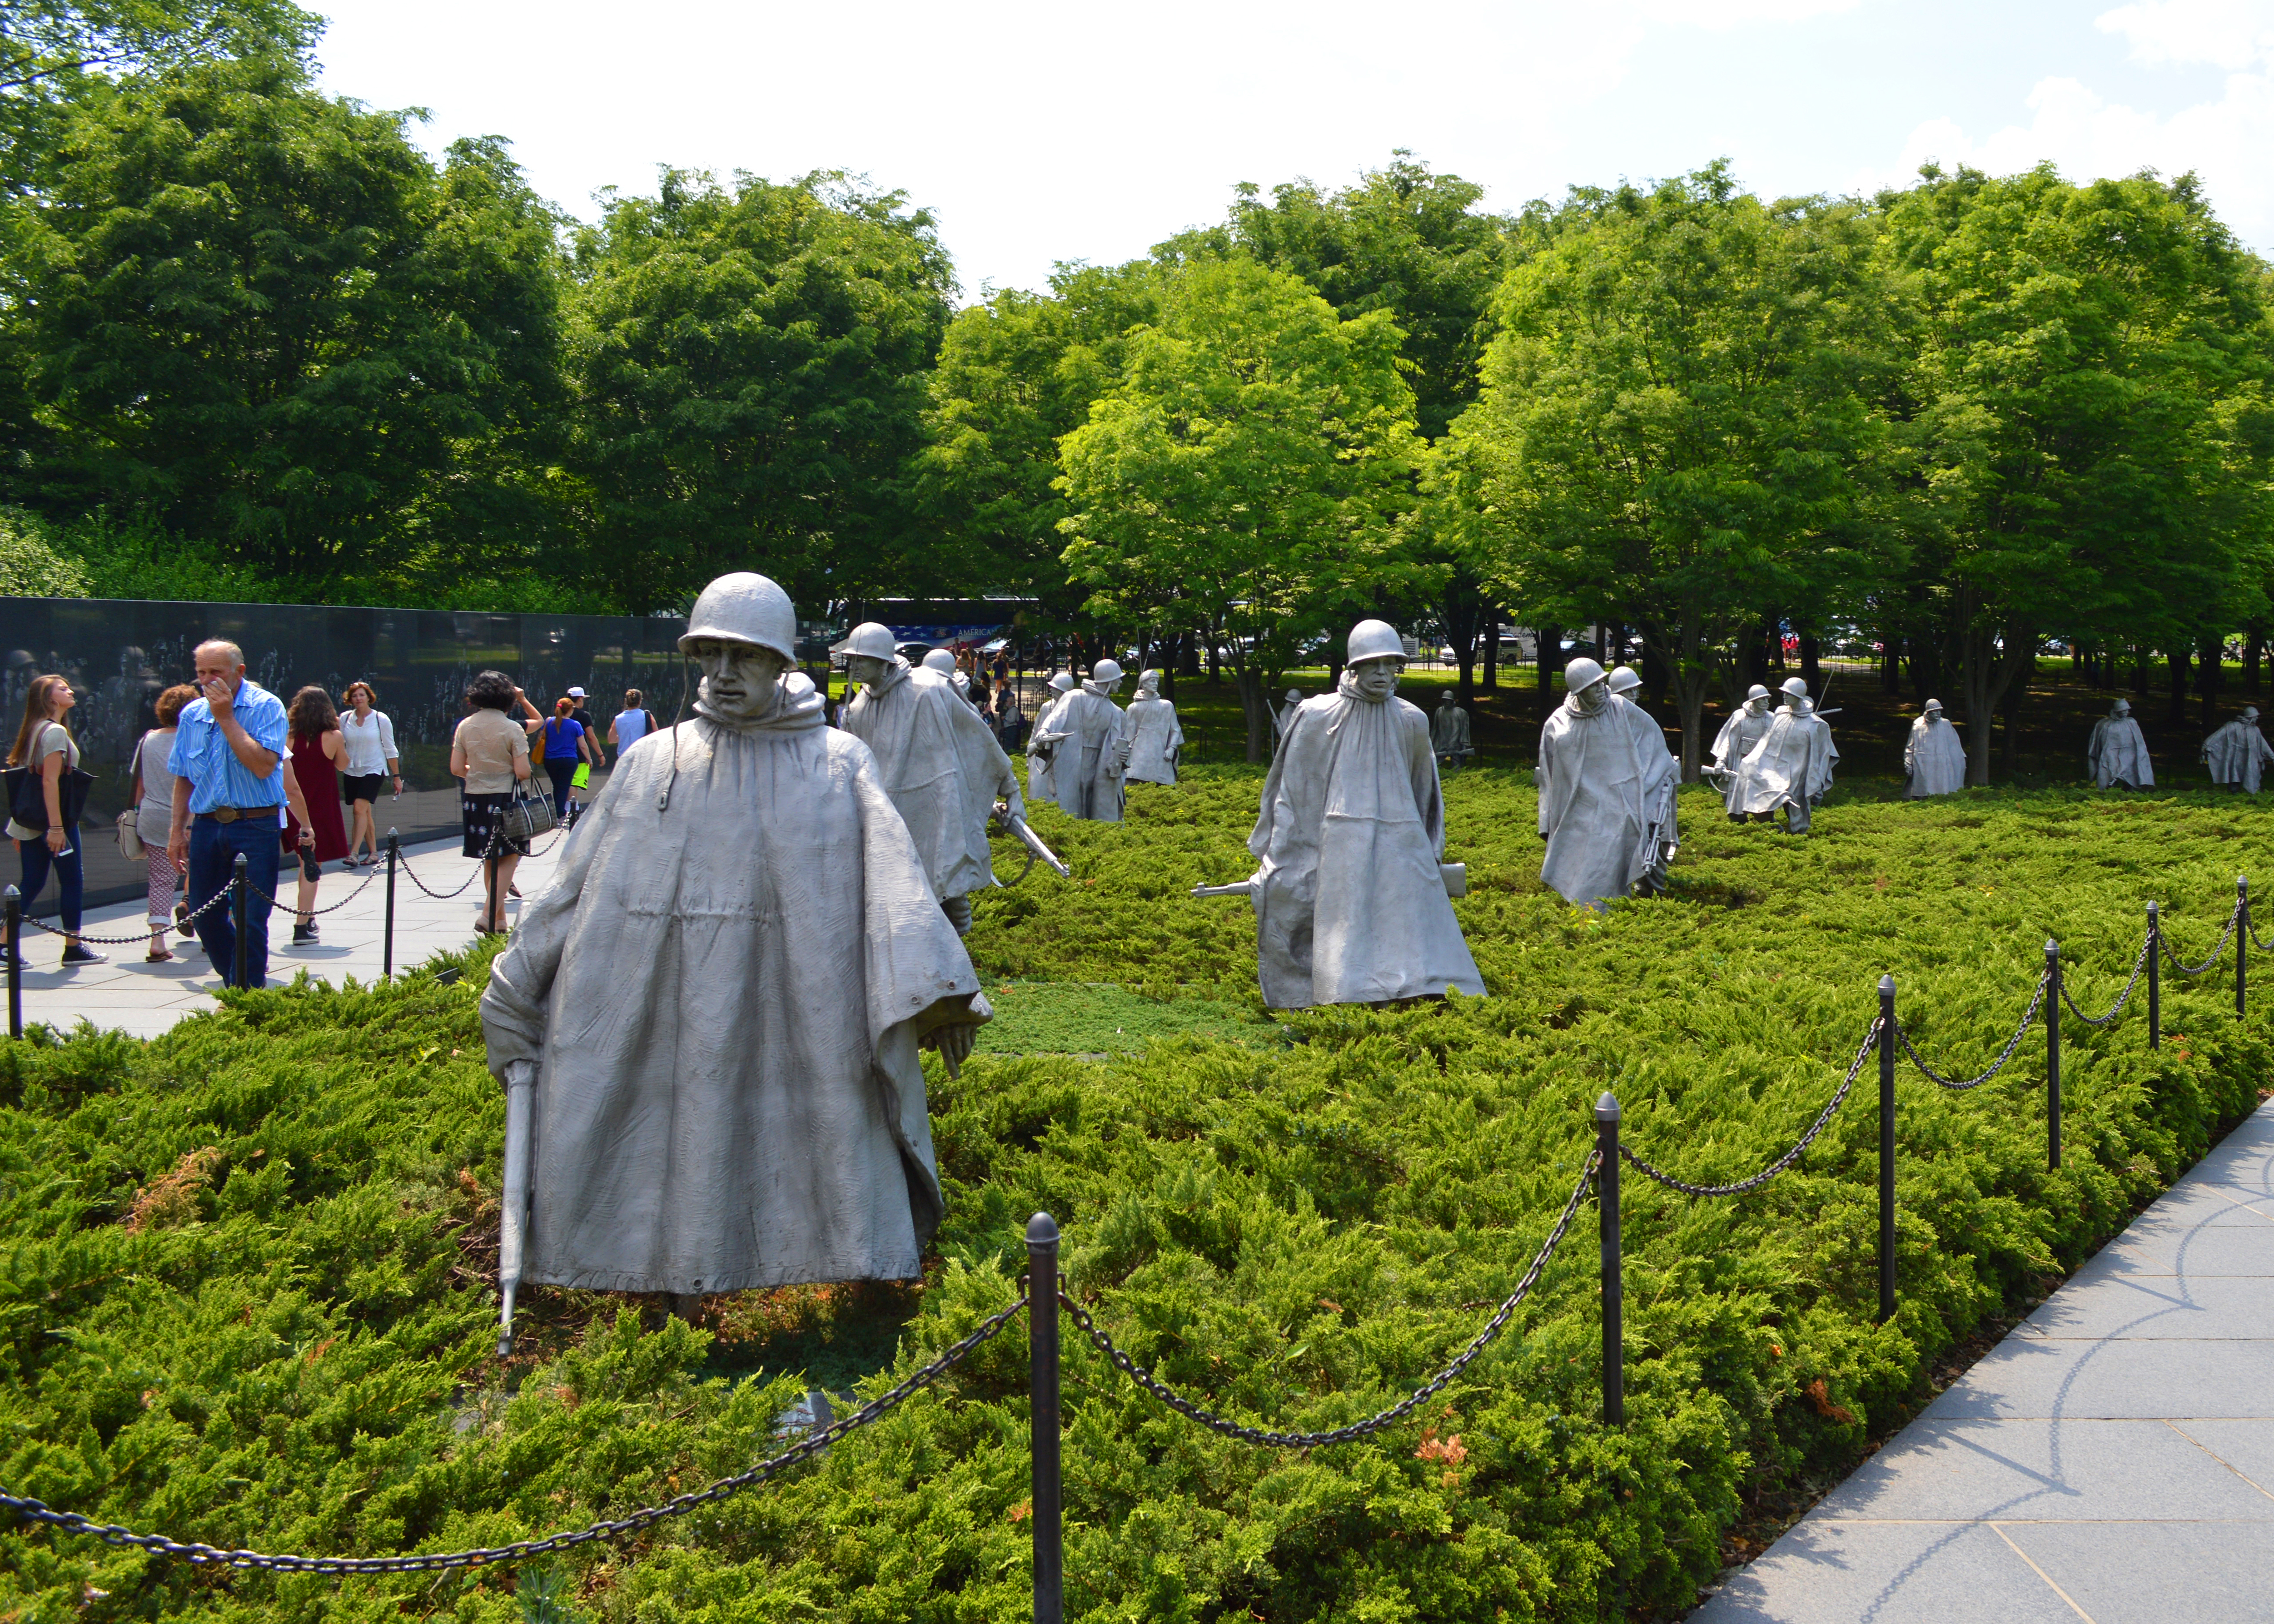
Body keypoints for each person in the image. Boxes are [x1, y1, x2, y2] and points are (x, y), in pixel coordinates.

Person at [478, 572, 988, 1335]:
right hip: (668, 1004)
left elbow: (896, 888)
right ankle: (670, 1298)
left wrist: (943, 995)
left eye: (743, 656)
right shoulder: (653, 761)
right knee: (676, 1138)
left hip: (805, 1005)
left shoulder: (839, 761)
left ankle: (860, 1297)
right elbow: (571, 887)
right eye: (709, 654)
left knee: (827, 1135)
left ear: (780, 663)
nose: (722, 673)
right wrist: (514, 986)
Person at [1226, 620, 1484, 1008]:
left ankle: (1407, 994)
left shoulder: (1412, 719)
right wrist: (1285, 853)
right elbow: (1294, 791)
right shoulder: (1317, 714)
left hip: (1401, 839)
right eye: (1371, 664)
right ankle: (1333, 999)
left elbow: (1425, 791)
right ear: (1354, 667)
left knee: (1402, 924)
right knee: (1340, 928)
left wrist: (1428, 850)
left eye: (1389, 664)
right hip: (1339, 838)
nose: (1381, 673)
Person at [840, 621, 1024, 935]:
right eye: (852, 660)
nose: (854, 667)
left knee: (946, 887)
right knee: (901, 899)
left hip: (934, 807)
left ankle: (958, 951)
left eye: (863, 660)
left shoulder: (927, 691)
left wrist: (1012, 790)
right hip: (887, 812)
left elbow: (978, 738)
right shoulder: (859, 707)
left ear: (883, 662)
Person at [166, 639, 290, 988]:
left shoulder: (267, 706)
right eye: (201, 673)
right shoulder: (192, 714)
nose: (207, 680)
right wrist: (176, 832)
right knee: (204, 915)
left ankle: (245, 994)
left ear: (239, 672)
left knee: (251, 917)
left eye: (216, 672)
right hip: (207, 825)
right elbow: (183, 776)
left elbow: (264, 766)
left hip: (256, 824)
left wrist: (226, 718)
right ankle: (236, 981)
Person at [1536, 659, 1656, 910]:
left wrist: (1649, 785)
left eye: (1603, 682)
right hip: (1578, 808)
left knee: (1612, 849)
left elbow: (1652, 742)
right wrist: (1546, 820)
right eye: (1594, 686)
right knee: (1584, 861)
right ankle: (1590, 913)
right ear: (1579, 692)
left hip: (1619, 805)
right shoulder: (1557, 724)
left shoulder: (1621, 708)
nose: (1602, 689)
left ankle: (1606, 911)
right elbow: (1548, 778)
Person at [6, 674, 102, 965]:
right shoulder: (55, 732)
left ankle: (3, 945)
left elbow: (28, 782)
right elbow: (49, 782)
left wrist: (21, 828)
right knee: (72, 881)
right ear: (49, 699)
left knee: (32, 882)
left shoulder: (35, 729)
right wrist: (57, 828)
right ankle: (73, 948)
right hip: (56, 822)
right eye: (63, 689)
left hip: (34, 822)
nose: (71, 691)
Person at [452, 671, 535, 934]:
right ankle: (488, 914)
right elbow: (523, 772)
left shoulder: (465, 726)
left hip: (475, 798)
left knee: (490, 857)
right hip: (506, 798)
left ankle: (500, 921)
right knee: (511, 854)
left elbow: (457, 768)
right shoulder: (512, 728)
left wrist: (479, 772)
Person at [280, 686, 350, 944]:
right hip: (321, 808)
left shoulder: (288, 736)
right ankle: (302, 927)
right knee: (312, 866)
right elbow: (343, 765)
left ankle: (307, 916)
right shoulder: (333, 736)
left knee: (304, 863)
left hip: (293, 807)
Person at [131, 683, 196, 962]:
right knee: (204, 875)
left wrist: (136, 812)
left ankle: (157, 941)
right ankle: (208, 931)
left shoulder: (149, 739)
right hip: (191, 817)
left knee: (160, 881)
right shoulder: (195, 738)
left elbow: (140, 782)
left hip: (153, 816)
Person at [1730, 676, 1838, 834]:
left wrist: (1818, 781)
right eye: (1784, 693)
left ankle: (1798, 835)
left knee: (1796, 802)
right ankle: (1767, 824)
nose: (1785, 696)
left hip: (1798, 773)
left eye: (1789, 694)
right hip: (1773, 766)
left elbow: (1823, 756)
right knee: (1749, 770)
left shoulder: (1817, 725)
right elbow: (1767, 742)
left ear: (1799, 696)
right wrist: (1751, 760)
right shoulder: (1780, 713)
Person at [1032, 659, 1132, 822]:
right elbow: (1055, 718)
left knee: (1096, 809)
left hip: (1100, 767)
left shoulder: (1117, 712)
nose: (1120, 682)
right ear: (1109, 680)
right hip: (1072, 761)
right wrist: (1044, 732)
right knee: (1071, 808)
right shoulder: (1074, 697)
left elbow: (1121, 746)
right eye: (1118, 679)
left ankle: (1093, 833)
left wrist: (1124, 756)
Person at [1606, 665, 1679, 886]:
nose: (1635, 694)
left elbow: (1658, 754)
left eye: (1636, 690)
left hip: (1645, 790)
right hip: (1616, 792)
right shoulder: (1607, 721)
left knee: (1648, 842)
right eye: (1629, 691)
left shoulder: (1644, 721)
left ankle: (1652, 887)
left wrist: (1669, 770)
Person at [338, 680, 400, 867]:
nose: (358, 699)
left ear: (369, 697)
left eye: (362, 695)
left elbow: (390, 748)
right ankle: (373, 853)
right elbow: (340, 744)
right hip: (352, 770)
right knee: (364, 812)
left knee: (359, 809)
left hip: (374, 769)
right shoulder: (345, 718)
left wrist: (397, 777)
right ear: (350, 699)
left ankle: (354, 854)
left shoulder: (381, 719)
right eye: (355, 696)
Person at [1708, 685, 1776, 819]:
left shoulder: (1771, 718)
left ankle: (1770, 825)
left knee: (1763, 809)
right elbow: (1728, 741)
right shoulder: (1740, 716)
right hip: (1739, 765)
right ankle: (1739, 824)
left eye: (1767, 699)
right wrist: (1721, 760)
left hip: (1761, 767)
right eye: (1763, 699)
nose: (1767, 702)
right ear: (1754, 700)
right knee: (1736, 807)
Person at [537, 697, 596, 824]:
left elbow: (540, 738)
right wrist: (589, 759)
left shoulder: (549, 722)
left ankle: (557, 813)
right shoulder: (575, 725)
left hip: (550, 760)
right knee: (563, 787)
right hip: (569, 760)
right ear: (570, 710)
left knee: (558, 787)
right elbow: (583, 745)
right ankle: (560, 815)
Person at [1124, 669, 1184, 785]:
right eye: (1152, 681)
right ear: (1144, 684)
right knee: (1135, 786)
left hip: (1161, 757)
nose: (1156, 684)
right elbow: (1128, 736)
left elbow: (1175, 730)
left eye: (1157, 681)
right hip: (1139, 760)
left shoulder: (1167, 706)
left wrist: (1171, 748)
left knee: (1163, 788)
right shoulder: (1133, 708)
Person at [1026, 670, 1074, 801]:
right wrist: (1029, 757)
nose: (1052, 691)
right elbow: (1036, 731)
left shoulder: (1073, 709)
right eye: (1052, 688)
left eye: (1056, 689)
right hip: (1042, 755)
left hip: (1062, 756)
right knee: (1039, 789)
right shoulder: (1046, 707)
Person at [1904, 699, 1967, 798]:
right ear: (1928, 712)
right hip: (1924, 762)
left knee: (1943, 786)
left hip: (1942, 762)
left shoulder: (1946, 724)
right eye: (1935, 711)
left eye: (1939, 711)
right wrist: (1908, 762)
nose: (1938, 713)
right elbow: (1911, 745)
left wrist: (1960, 759)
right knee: (1924, 789)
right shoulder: (1919, 725)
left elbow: (1954, 744)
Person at [2203, 707, 2274, 793]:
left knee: (2251, 776)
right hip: (2236, 760)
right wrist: (2207, 746)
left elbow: (2264, 745)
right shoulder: (2233, 726)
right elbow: (2218, 736)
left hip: (2250, 759)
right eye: (2255, 716)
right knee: (2235, 778)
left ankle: (2251, 794)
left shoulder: (2256, 730)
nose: (2257, 718)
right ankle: (2233, 794)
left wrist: (2272, 756)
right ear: (2251, 717)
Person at [2087, 698, 2154, 789]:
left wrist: (2140, 753)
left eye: (2127, 710)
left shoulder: (2131, 723)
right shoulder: (2105, 724)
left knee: (2130, 774)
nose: (2127, 712)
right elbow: (2100, 741)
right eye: (2124, 711)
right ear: (2117, 711)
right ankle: (2109, 791)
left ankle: (2128, 791)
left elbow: (2139, 741)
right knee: (2110, 772)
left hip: (2128, 753)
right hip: (2111, 752)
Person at [610, 688, 658, 756]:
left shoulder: (618, 719)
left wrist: (624, 737)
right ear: (640, 701)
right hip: (642, 756)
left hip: (624, 757)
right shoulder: (647, 716)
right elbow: (657, 736)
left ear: (626, 701)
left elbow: (611, 739)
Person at [1431, 689, 1473, 765]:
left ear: (1452, 701)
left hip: (1455, 743)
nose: (1447, 702)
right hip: (1441, 741)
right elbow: (1435, 729)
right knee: (1435, 763)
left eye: (1449, 700)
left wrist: (1452, 745)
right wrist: (1431, 742)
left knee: (1456, 763)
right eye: (1445, 700)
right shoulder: (1439, 711)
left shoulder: (1457, 713)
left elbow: (1456, 730)